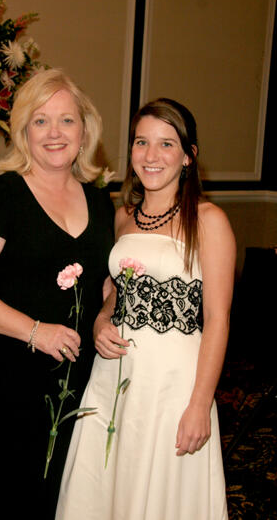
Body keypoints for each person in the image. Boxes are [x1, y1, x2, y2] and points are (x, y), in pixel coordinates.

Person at [0, 69, 115, 512]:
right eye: (40, 121)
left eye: (66, 120)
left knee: (69, 492)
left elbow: (106, 280)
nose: (54, 133)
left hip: (79, 378)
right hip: (8, 377)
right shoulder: (0, 195)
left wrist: (102, 316)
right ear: (22, 132)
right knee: (12, 493)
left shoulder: (99, 199)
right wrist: (36, 331)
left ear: (85, 129)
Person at [56, 98, 236, 520]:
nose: (151, 156)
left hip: (174, 383)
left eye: (166, 144)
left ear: (189, 157)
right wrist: (101, 319)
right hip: (115, 375)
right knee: (106, 483)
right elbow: (119, 290)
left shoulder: (209, 221)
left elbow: (218, 321)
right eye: (141, 142)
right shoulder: (123, 218)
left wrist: (199, 404)